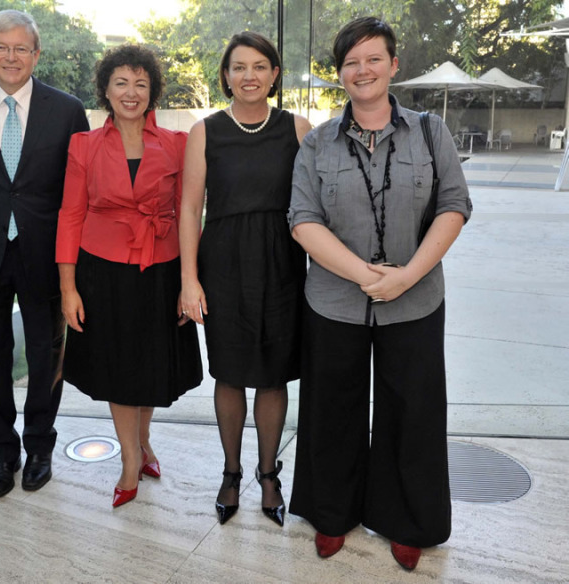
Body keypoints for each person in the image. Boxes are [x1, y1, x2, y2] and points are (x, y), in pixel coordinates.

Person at [287, 17, 472, 570]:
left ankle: (407, 520)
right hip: (334, 301)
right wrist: (367, 275)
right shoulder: (316, 142)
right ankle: (331, 512)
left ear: (394, 65)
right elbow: (302, 218)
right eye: (350, 62)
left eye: (373, 59)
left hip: (415, 300)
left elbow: (453, 206)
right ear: (339, 73)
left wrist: (406, 275)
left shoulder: (431, 131)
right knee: (331, 409)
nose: (362, 70)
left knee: (411, 411)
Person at [0, 10, 89, 498]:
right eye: (0, 47)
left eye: (20, 48)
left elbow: (81, 187)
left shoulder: (67, 109)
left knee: (47, 355)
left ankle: (40, 447)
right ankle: (3, 454)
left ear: (36, 54)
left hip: (46, 251)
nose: (10, 56)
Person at [57, 45, 202, 508]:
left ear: (153, 90)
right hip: (103, 272)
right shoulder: (83, 145)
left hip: (161, 271)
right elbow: (70, 215)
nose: (131, 92)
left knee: (151, 367)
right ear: (105, 89)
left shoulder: (178, 144)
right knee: (119, 369)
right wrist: (68, 287)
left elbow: (188, 214)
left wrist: (188, 280)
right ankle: (128, 459)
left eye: (141, 83)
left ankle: (144, 444)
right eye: (121, 82)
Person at [179, 31, 311, 527]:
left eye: (259, 66)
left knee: (274, 373)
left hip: (282, 263)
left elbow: (316, 204)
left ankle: (268, 474)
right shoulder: (205, 131)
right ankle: (232, 472)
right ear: (226, 75)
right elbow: (190, 208)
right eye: (238, 67)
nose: (249, 75)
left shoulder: (298, 128)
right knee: (230, 372)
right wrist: (189, 279)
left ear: (275, 74)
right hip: (224, 263)